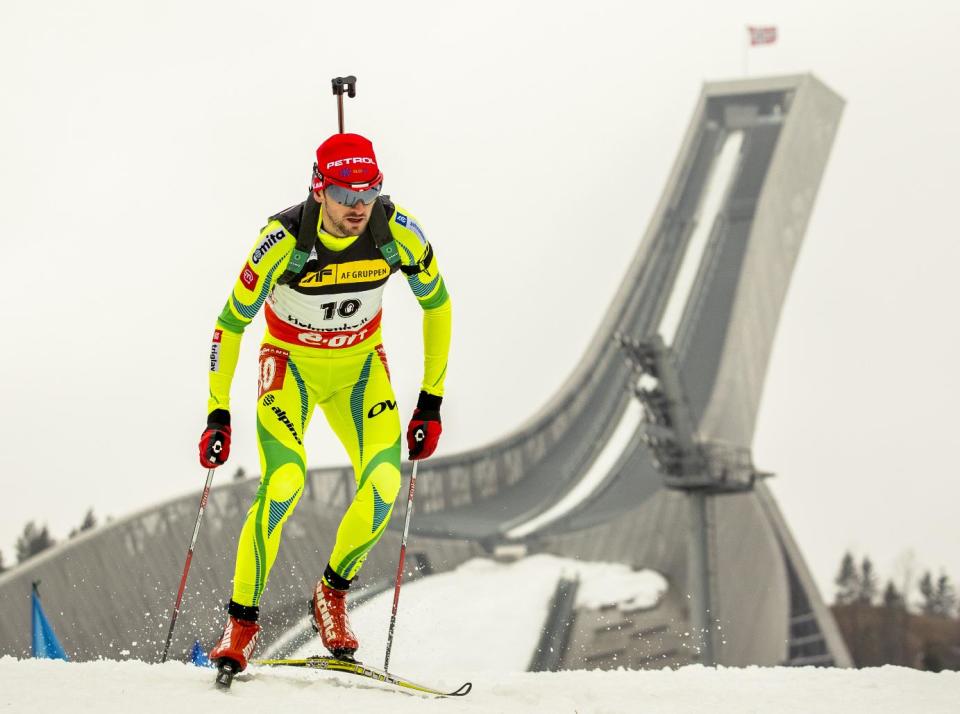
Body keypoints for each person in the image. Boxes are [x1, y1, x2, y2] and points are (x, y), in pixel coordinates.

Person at [198, 132, 451, 673]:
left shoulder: (396, 232)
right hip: (291, 369)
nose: (359, 206)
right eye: (345, 193)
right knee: (285, 481)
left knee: (384, 484)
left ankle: (330, 595)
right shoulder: (281, 240)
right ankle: (241, 623)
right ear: (320, 189)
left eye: (369, 192)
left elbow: (438, 305)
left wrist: (430, 400)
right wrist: (218, 410)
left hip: (359, 370)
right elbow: (229, 323)